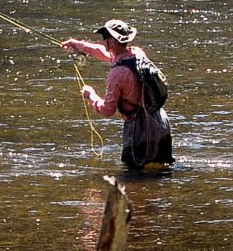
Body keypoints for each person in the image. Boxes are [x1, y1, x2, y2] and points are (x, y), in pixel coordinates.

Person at [61, 19, 174, 170]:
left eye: (105, 38)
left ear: (112, 41)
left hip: (139, 129)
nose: (103, 42)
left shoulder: (116, 74)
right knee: (163, 172)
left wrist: (91, 96)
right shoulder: (137, 53)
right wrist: (79, 45)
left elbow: (108, 110)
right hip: (160, 121)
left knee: (133, 177)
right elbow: (105, 54)